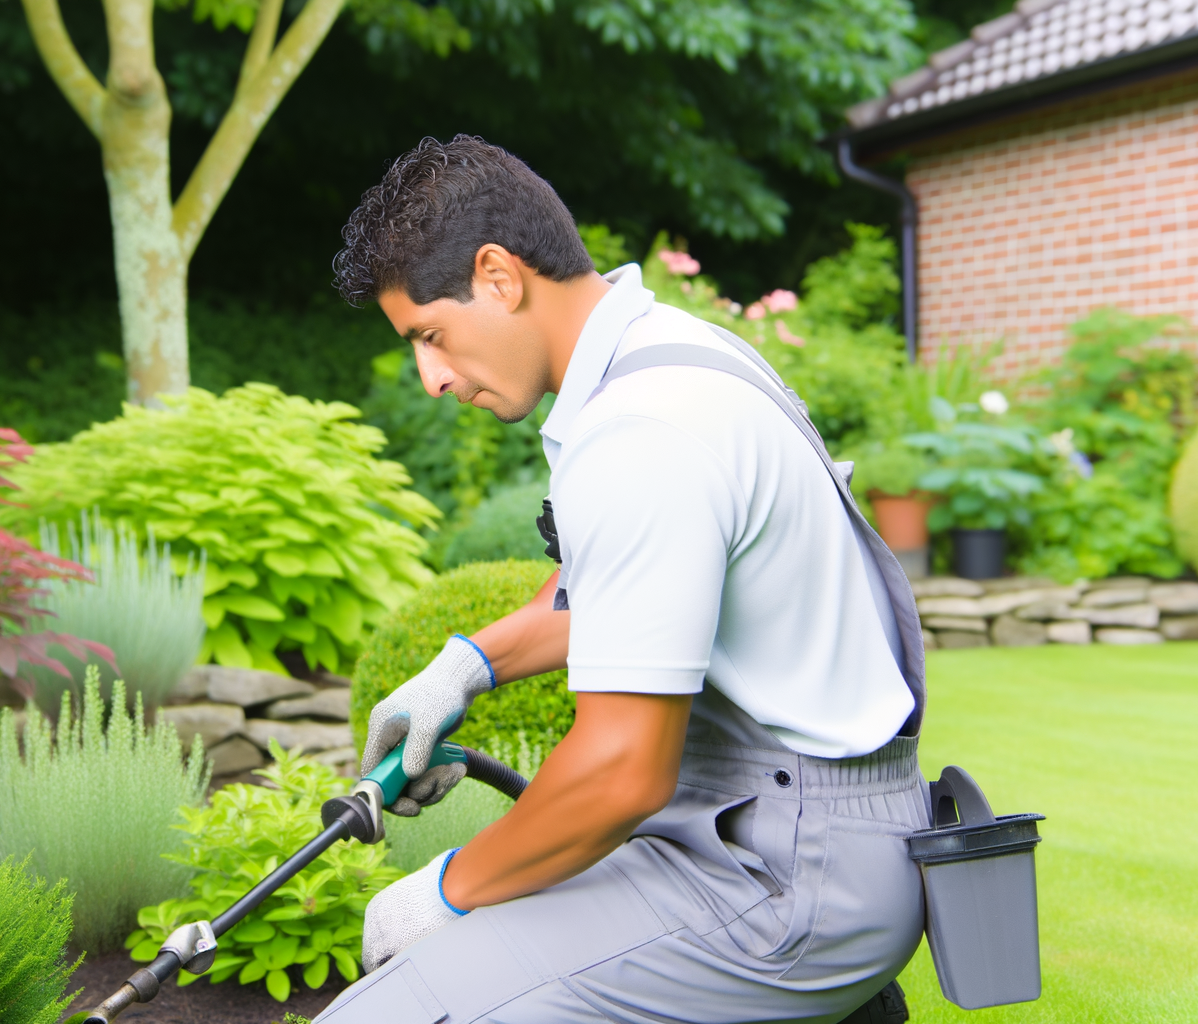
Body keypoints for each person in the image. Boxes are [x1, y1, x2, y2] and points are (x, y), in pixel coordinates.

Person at [312, 135, 930, 1024]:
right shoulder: (670, 354)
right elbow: (617, 598)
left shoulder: (643, 429)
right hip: (788, 831)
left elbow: (619, 775)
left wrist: (443, 892)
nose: (433, 378)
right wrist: (464, 667)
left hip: (788, 878)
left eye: (430, 336)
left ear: (498, 275)